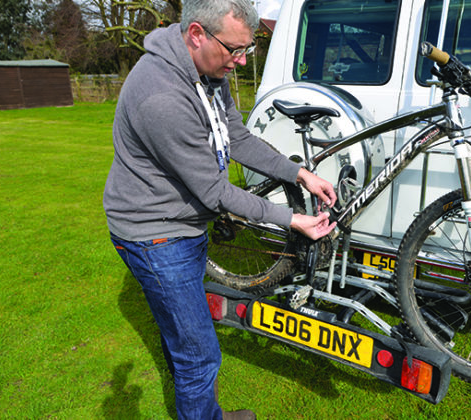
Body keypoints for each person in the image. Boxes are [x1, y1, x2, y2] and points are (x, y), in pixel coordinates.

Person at [103, 0, 337, 418]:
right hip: (155, 236)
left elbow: (238, 138)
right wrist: (292, 219)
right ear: (197, 34)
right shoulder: (161, 96)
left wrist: (300, 174)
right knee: (200, 354)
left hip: (183, 226)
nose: (241, 60)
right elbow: (214, 191)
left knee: (184, 337)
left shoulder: (209, 72)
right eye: (235, 49)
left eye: (248, 49)